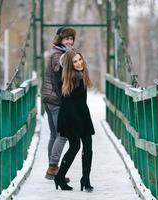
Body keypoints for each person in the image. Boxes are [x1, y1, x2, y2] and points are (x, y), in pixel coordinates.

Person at [54, 48, 95, 192]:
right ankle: (59, 177)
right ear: (70, 65)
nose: (79, 63)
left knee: (88, 148)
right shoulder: (69, 78)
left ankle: (86, 179)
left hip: (82, 114)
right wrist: (76, 122)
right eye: (75, 61)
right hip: (71, 117)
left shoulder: (81, 74)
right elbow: (67, 104)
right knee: (75, 147)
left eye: (80, 59)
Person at [41, 27, 76, 180]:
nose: (69, 41)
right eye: (66, 38)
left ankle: (52, 169)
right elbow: (59, 75)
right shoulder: (58, 55)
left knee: (55, 134)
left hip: (49, 98)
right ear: (60, 40)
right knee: (63, 134)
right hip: (55, 100)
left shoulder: (58, 53)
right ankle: (53, 168)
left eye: (71, 38)